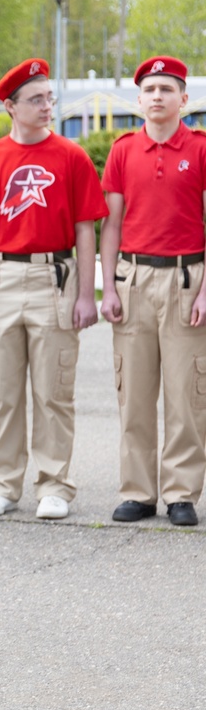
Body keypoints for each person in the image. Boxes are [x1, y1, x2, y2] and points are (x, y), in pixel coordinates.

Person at [0, 58, 105, 519]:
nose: (46, 106)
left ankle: (54, 485)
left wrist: (87, 294)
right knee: (1, 393)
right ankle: (2, 485)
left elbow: (85, 231)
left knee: (53, 391)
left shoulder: (72, 157)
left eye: (49, 98)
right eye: (35, 99)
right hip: (0, 277)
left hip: (52, 277)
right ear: (10, 106)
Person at [99, 56, 206, 527]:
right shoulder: (123, 151)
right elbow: (111, 225)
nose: (157, 96)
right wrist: (108, 287)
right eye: (150, 89)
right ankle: (138, 492)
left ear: (184, 98)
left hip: (186, 279)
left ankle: (181, 493)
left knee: (186, 396)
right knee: (134, 396)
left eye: (167, 89)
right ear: (139, 100)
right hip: (135, 280)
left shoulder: (200, 149)